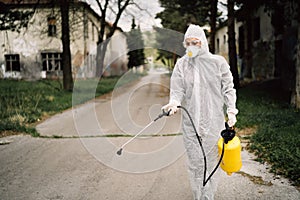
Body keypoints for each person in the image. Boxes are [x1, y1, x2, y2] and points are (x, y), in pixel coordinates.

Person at [162, 24, 238, 200]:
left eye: (194, 42)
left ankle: (208, 195)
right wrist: (174, 102)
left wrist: (231, 110)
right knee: (195, 162)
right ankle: (198, 195)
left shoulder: (218, 63)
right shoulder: (182, 65)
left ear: (203, 42)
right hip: (191, 122)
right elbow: (177, 89)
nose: (191, 46)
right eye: (187, 43)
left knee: (211, 160)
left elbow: (228, 88)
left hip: (214, 120)